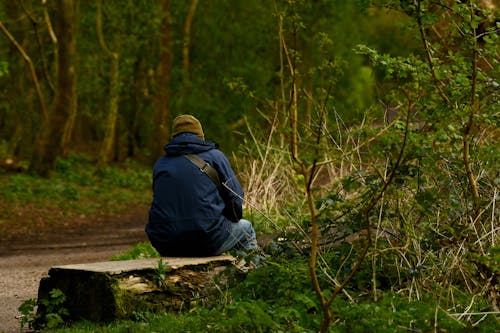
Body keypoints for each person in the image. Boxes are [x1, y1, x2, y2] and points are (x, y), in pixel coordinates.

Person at [146, 114, 258, 257]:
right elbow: (235, 197)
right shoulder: (215, 157)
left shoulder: (161, 164)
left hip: (166, 244)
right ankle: (252, 276)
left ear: (173, 137)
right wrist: (229, 219)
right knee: (246, 230)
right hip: (207, 240)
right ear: (201, 135)